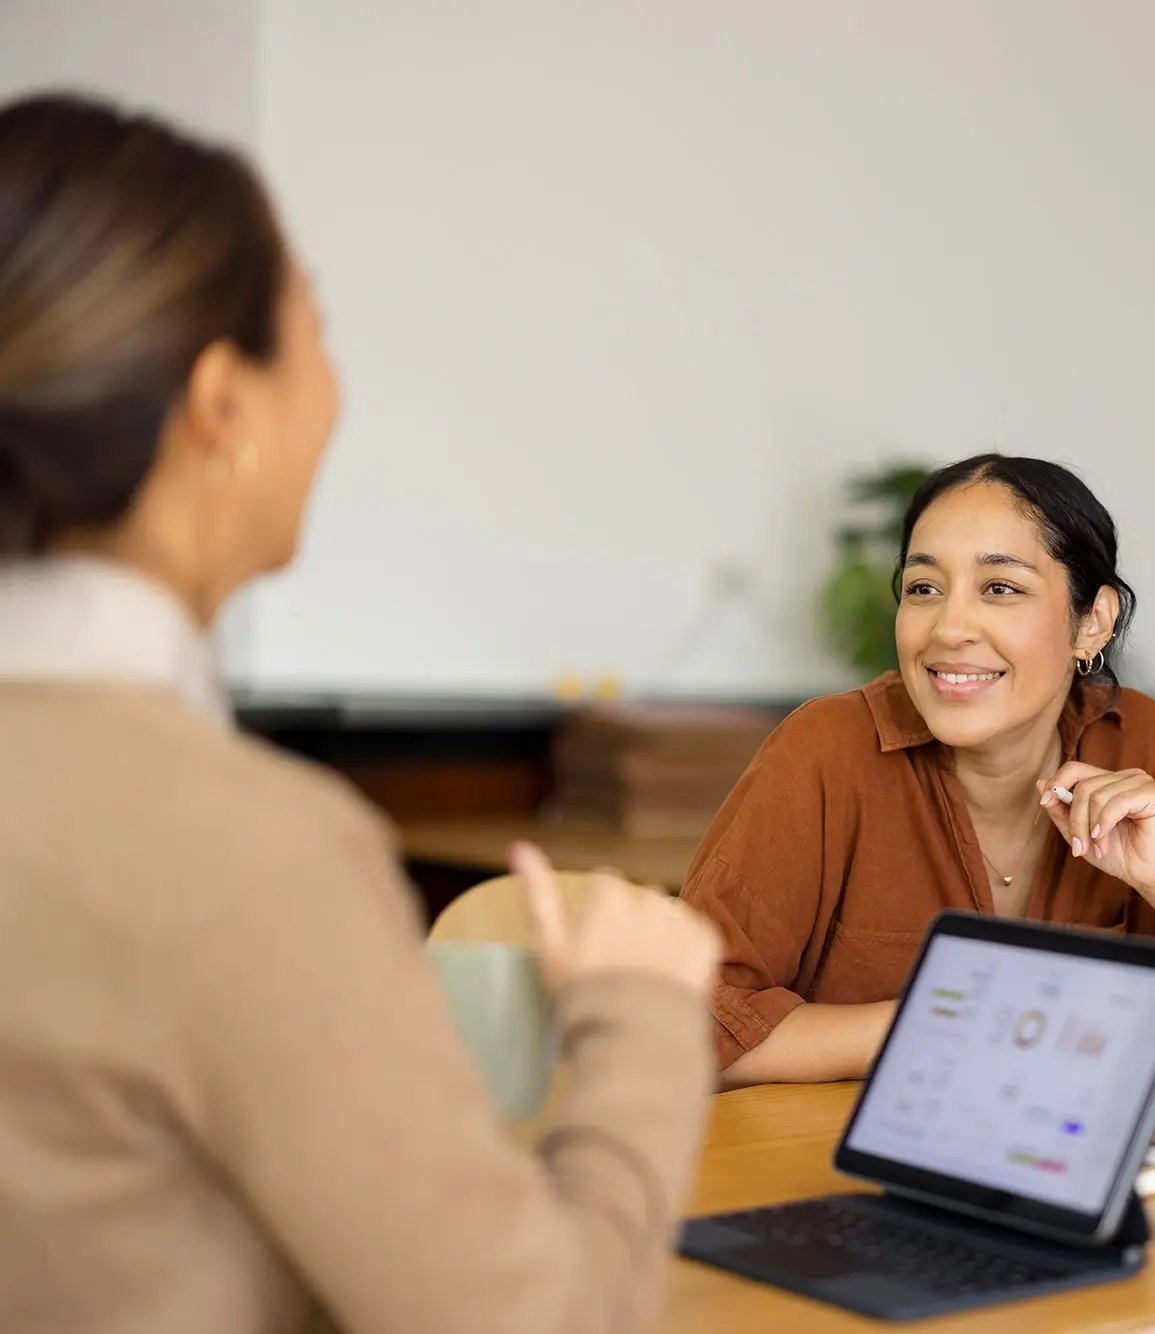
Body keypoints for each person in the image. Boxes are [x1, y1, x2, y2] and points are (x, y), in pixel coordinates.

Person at [0, 93, 721, 1333]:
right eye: (315, 328)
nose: (335, 390)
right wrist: (642, 1019)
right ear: (222, 404)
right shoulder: (242, 846)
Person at [680, 453, 1155, 1087]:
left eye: (1000, 588)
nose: (950, 627)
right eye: (924, 589)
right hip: (838, 1172)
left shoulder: (1142, 743)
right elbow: (682, 1025)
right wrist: (950, 1027)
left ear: (1092, 623)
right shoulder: (824, 751)